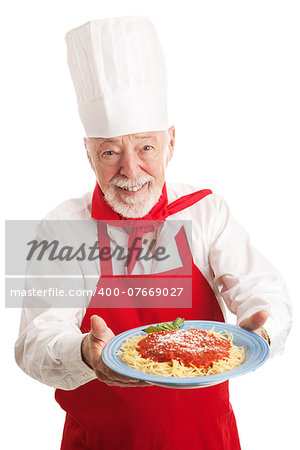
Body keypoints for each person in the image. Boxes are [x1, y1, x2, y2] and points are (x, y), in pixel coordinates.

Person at [15, 17, 292, 450]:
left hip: (207, 439)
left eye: (146, 147)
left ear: (171, 142)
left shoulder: (205, 211)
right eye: (110, 151)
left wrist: (263, 332)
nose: (130, 171)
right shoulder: (62, 229)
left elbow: (267, 294)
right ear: (88, 154)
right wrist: (87, 353)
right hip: (101, 442)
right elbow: (34, 344)